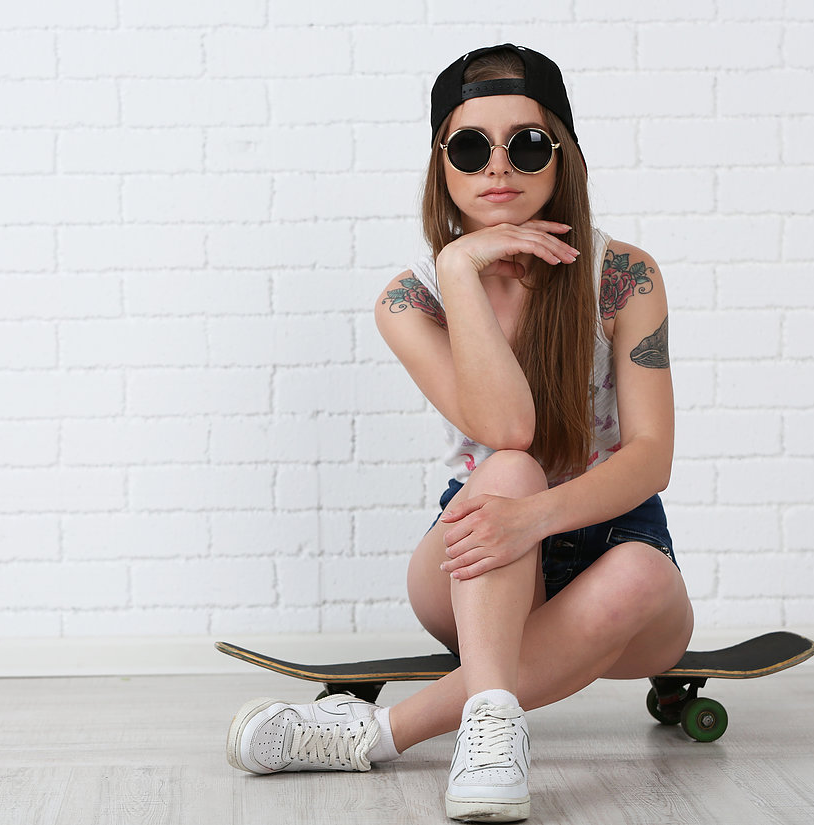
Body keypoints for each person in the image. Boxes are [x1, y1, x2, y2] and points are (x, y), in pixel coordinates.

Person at [225, 44, 693, 824]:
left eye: (527, 143)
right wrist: (461, 270)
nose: (498, 167)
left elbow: (652, 457)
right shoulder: (412, 300)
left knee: (643, 574)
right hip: (477, 557)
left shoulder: (626, 277)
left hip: (614, 540)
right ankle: (488, 733)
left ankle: (380, 732)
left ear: (562, 156)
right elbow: (508, 429)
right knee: (508, 467)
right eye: (471, 147)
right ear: (442, 163)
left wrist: (541, 515)